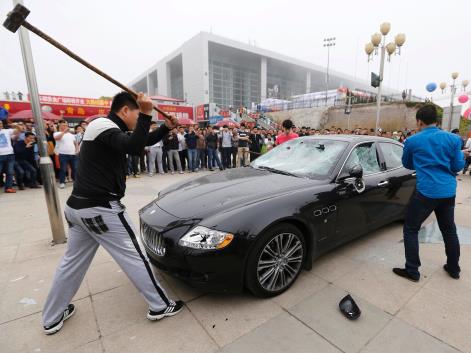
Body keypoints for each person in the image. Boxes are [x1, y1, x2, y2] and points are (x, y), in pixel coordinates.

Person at [42, 92, 182, 335]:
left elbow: (142, 141)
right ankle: (161, 305)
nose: (138, 118)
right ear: (126, 111)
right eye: (136, 113)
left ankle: (52, 317)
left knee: (71, 264)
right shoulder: (102, 124)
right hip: (100, 210)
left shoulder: (105, 129)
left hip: (80, 209)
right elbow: (135, 147)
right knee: (135, 255)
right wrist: (148, 113)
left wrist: (165, 127)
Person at [393, 104, 467, 282]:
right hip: (448, 192)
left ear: (419, 122)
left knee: (411, 229)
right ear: (437, 121)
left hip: (426, 192)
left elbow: (407, 164)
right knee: (449, 230)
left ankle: (412, 270)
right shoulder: (453, 139)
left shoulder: (412, 141)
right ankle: (453, 268)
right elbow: (458, 166)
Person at [54, 120, 77, 189]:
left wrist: (77, 150)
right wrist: (64, 132)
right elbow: (57, 138)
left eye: (66, 125)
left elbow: (75, 143)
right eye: (63, 125)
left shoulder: (71, 135)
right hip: (63, 154)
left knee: (75, 169)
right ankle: (62, 182)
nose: (65, 126)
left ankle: (76, 182)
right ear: (60, 125)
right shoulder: (56, 133)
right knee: (63, 169)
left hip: (73, 154)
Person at [0, 120, 19, 193]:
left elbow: (17, 131)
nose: (0, 125)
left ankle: (8, 187)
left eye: (1, 123)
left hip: (10, 154)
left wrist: (16, 125)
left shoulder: (7, 131)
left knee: (10, 172)